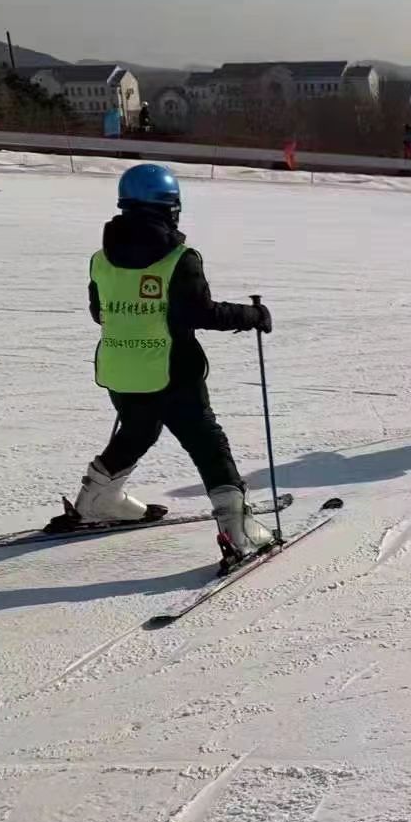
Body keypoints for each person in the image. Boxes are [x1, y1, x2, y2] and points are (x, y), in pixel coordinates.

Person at [66, 164, 276, 567]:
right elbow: (201, 312)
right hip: (172, 370)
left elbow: (100, 312)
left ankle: (97, 499)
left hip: (119, 369)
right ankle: (238, 529)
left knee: (138, 430)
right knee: (206, 442)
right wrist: (253, 316)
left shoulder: (100, 259)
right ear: (169, 208)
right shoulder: (179, 258)